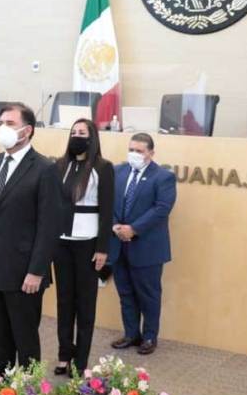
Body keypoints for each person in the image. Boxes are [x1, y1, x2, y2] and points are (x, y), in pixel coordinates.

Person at [0, 102, 62, 376]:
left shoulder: (44, 169)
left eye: (9, 123)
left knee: (25, 340)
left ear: (27, 131)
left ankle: (28, 394)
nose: (2, 128)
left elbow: (49, 227)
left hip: (24, 274)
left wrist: (36, 271)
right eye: (0, 123)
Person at [52, 118, 114, 376]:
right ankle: (64, 354)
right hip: (61, 241)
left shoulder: (103, 167)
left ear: (92, 137)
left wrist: (102, 248)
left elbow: (107, 210)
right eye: (73, 132)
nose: (76, 136)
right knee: (64, 301)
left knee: (85, 304)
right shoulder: (59, 165)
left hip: (88, 243)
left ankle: (81, 360)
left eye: (82, 132)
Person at [108, 133, 177, 355]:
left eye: (139, 151)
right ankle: (131, 334)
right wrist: (115, 226)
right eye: (131, 150)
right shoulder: (118, 172)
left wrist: (133, 229)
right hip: (119, 244)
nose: (134, 154)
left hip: (147, 247)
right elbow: (107, 202)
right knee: (125, 293)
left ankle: (149, 337)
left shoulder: (163, 177)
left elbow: (162, 208)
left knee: (148, 295)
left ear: (151, 153)